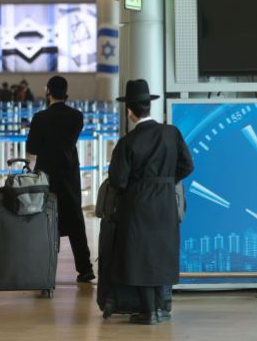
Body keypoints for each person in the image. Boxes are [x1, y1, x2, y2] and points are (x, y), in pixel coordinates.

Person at [108, 79, 194, 325]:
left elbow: (118, 180)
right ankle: (163, 308)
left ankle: (149, 312)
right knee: (161, 253)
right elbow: (188, 165)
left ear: (129, 111)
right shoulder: (171, 132)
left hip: (137, 206)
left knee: (140, 256)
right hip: (165, 203)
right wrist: (166, 181)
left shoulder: (127, 142)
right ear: (149, 106)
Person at [25, 75, 94, 283]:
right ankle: (85, 268)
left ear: (48, 93)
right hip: (70, 175)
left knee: (46, 219)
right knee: (75, 220)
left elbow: (33, 148)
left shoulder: (40, 118)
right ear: (67, 94)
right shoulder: (77, 117)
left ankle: (45, 269)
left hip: (47, 176)